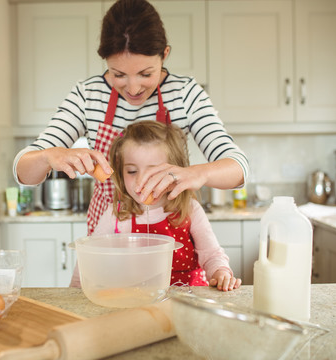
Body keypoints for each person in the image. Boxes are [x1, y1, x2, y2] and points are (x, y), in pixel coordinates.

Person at [13, 0, 249, 236]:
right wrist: (48, 156)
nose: (133, 88)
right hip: (109, 238)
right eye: (119, 74)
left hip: (169, 237)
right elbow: (24, 172)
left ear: (164, 54)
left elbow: (238, 167)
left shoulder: (185, 93)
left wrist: (199, 173)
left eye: (145, 73)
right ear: (105, 61)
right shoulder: (88, 95)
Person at [70, 121, 242, 291]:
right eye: (132, 171)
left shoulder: (190, 209)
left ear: (176, 171)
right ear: (121, 173)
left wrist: (220, 273)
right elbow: (88, 259)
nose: (141, 180)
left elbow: (211, 255)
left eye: (154, 171)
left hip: (189, 301)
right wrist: (76, 290)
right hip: (135, 302)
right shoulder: (116, 214)